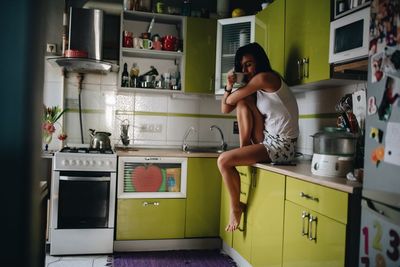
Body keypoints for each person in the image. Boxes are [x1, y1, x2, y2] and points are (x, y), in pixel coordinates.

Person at [217, 42, 299, 232]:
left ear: (259, 62)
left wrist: (231, 89)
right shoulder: (256, 89)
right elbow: (225, 108)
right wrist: (229, 86)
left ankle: (235, 207)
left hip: (283, 146)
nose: (245, 69)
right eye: (242, 66)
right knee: (243, 102)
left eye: (249, 64)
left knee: (223, 161)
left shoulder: (265, 78)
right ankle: (244, 147)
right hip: (268, 139)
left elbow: (228, 102)